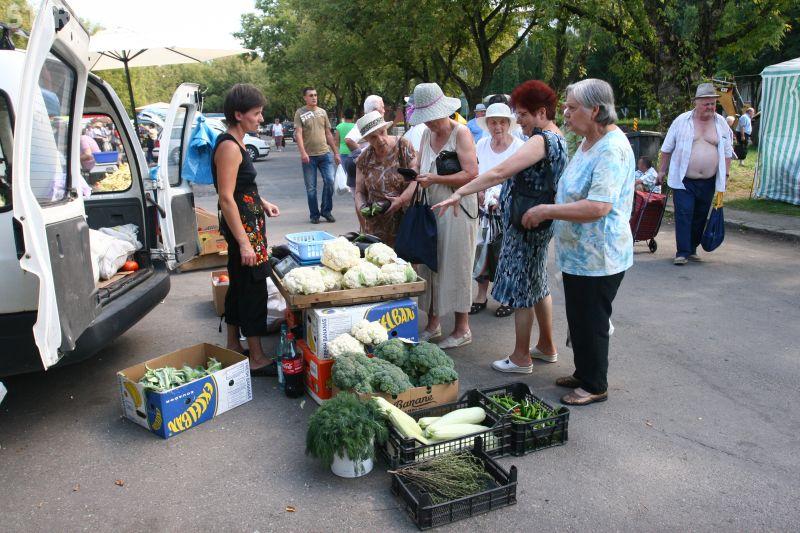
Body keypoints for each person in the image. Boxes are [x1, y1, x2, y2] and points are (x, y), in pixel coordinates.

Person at [433, 82, 565, 372]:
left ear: (541, 112)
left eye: (522, 115)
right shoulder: (557, 137)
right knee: (538, 284)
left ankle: (520, 357)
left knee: (522, 289)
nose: (519, 121)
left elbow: (500, 171)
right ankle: (546, 345)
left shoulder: (540, 140)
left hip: (526, 223)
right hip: (537, 222)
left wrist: (460, 191)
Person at [520, 78, 634, 405]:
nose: (565, 114)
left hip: (600, 256)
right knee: (580, 318)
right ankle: (584, 371)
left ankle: (595, 384)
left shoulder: (612, 149)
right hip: (579, 255)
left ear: (595, 110)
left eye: (572, 107)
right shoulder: (587, 141)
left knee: (592, 320)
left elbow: (599, 206)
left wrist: (546, 210)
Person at [212, 84, 281, 376]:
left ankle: (233, 344)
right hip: (245, 233)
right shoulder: (229, 146)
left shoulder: (236, 143)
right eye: (256, 113)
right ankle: (256, 356)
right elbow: (226, 197)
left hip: (248, 226)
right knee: (253, 290)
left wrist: (262, 202)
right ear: (238, 115)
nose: (261, 119)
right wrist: (244, 243)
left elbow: (242, 188)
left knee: (239, 284)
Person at [409, 82, 479, 349]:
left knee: (457, 264)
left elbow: (472, 174)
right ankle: (433, 323)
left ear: (443, 112)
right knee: (431, 264)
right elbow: (421, 162)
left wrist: (434, 178)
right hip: (433, 207)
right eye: (424, 120)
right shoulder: (427, 135)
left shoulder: (460, 133)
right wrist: (414, 171)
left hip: (458, 209)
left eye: (431, 119)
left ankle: (462, 328)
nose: (428, 124)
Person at [658, 83, 732, 265]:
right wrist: (661, 170)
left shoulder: (721, 123)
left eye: (713, 104)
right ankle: (682, 252)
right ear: (697, 103)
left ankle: (691, 248)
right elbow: (667, 149)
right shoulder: (681, 121)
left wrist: (727, 174)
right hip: (684, 180)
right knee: (684, 213)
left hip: (708, 180)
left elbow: (727, 152)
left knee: (700, 215)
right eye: (706, 104)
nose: (710, 107)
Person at [466, 103, 525, 319]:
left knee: (505, 254)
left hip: (507, 210)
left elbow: (521, 179)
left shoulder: (519, 146)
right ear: (487, 124)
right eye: (493, 122)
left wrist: (502, 198)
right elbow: (474, 173)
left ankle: (506, 297)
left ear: (509, 124)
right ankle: (481, 296)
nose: (497, 126)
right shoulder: (481, 144)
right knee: (481, 253)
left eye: (502, 122)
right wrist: (479, 192)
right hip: (483, 210)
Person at [353, 111, 417, 246]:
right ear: (367, 139)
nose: (380, 140)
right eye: (373, 137)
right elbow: (359, 192)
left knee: (406, 263)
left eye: (382, 132)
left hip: (405, 220)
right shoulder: (364, 159)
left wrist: (401, 200)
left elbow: (416, 179)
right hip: (376, 225)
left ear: (386, 129)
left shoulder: (403, 146)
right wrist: (362, 208)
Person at [294, 86, 340, 224]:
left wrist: (336, 152)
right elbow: (299, 134)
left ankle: (326, 211)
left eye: (315, 95)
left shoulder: (322, 112)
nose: (314, 97)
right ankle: (314, 215)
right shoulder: (300, 113)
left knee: (330, 181)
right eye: (311, 95)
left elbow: (328, 133)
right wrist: (303, 152)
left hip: (325, 154)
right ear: (305, 98)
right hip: (309, 157)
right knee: (311, 188)